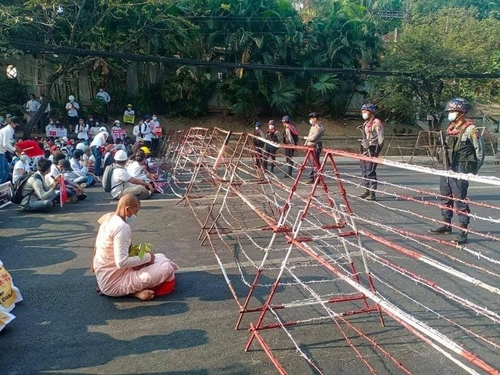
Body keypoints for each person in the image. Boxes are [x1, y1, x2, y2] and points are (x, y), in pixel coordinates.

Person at [93, 194, 179, 300]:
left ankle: (135, 291)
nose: (136, 215)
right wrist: (148, 257)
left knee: (160, 257)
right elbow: (121, 263)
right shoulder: (121, 227)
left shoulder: (109, 218)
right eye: (136, 211)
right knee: (165, 268)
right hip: (113, 283)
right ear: (128, 209)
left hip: (106, 277)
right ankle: (134, 292)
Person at [428, 98, 482, 245]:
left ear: (462, 112)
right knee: (445, 196)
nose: (450, 114)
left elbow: (479, 153)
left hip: (460, 168)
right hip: (446, 167)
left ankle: (463, 231)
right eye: (450, 111)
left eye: (453, 111)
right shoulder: (450, 128)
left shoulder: (471, 130)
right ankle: (446, 225)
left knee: (460, 200)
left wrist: (472, 171)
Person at [358, 103, 384, 201]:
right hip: (364, 149)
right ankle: (366, 190)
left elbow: (381, 140)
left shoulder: (377, 124)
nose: (363, 114)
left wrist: (376, 152)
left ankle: (372, 193)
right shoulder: (365, 123)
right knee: (364, 171)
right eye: (362, 112)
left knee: (370, 171)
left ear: (371, 112)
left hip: (372, 149)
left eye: (365, 112)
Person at [303, 112, 324, 184]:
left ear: (315, 118)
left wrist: (304, 137)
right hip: (310, 146)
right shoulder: (313, 126)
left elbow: (313, 138)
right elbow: (309, 136)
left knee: (315, 163)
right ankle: (311, 178)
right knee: (310, 163)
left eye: (311, 118)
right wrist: (305, 145)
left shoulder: (319, 127)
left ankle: (317, 179)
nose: (310, 120)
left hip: (315, 146)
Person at [0, 116, 21, 183]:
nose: (18, 125)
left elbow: (9, 143)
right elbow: (5, 144)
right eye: (16, 124)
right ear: (12, 123)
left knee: (7, 170)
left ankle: (1, 184)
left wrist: (15, 147)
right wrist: (15, 150)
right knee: (1, 172)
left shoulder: (10, 131)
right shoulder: (7, 130)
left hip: (2, 152)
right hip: (0, 152)